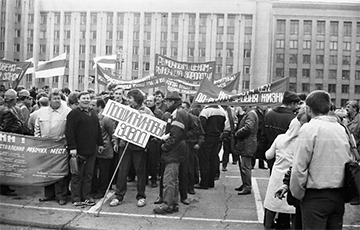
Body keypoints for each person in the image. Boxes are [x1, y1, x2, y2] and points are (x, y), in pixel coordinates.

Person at [290, 90, 353, 230]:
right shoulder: (340, 128)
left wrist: (298, 194)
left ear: (308, 108)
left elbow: (299, 166)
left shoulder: (309, 129)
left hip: (316, 195)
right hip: (338, 194)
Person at [263, 108, 308, 229]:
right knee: (293, 210)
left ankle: (267, 227)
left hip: (277, 175)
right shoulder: (303, 141)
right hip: (292, 177)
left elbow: (268, 155)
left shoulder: (280, 138)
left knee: (272, 205)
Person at [110, 89, 153, 208]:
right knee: (122, 171)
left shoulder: (147, 111)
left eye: (130, 98)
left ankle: (141, 196)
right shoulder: (125, 109)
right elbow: (116, 126)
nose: (128, 100)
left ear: (137, 100)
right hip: (124, 145)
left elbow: (154, 129)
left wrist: (145, 121)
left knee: (140, 172)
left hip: (139, 147)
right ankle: (118, 195)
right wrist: (115, 141)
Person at [153, 91, 190, 214]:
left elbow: (175, 135)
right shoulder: (181, 112)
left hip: (173, 152)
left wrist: (164, 146)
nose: (166, 103)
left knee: (169, 180)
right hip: (178, 150)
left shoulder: (177, 114)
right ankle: (173, 203)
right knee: (174, 180)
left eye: (167, 101)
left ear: (173, 102)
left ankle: (167, 205)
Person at [65, 91, 104, 206]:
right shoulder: (73, 114)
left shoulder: (93, 113)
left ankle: (86, 197)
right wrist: (72, 147)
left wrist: (100, 143)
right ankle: (76, 198)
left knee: (88, 175)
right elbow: (69, 132)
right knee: (77, 175)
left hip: (91, 149)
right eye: (83, 98)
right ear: (78, 100)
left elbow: (98, 129)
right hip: (78, 150)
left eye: (87, 98)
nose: (86, 100)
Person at [34, 89, 71, 205]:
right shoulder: (42, 112)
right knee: (47, 171)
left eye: (58, 98)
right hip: (45, 146)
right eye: (54, 98)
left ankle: (61, 196)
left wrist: (65, 140)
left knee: (60, 172)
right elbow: (37, 127)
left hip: (61, 146)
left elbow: (71, 128)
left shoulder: (67, 111)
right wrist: (38, 140)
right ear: (49, 100)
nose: (57, 100)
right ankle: (48, 194)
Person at [264, 91, 301, 174]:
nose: (298, 106)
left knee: (273, 176)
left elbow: (263, 135)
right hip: (286, 155)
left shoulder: (269, 114)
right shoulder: (293, 119)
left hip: (271, 151)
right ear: (292, 104)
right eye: (297, 104)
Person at [195, 105, 226, 189]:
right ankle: (211, 182)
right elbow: (223, 126)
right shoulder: (222, 111)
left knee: (204, 160)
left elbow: (201, 125)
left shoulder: (206, 111)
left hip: (207, 138)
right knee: (213, 159)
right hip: (216, 138)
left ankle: (204, 183)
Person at [91, 98, 115, 199]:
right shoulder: (91, 116)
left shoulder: (106, 119)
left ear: (99, 106)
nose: (90, 107)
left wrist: (114, 144)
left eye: (93, 105)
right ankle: (95, 188)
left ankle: (102, 190)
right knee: (93, 171)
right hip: (93, 149)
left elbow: (112, 133)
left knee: (103, 172)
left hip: (105, 149)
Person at [0, 89, 23, 196]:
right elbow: (4, 129)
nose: (16, 101)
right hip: (7, 142)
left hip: (5, 141)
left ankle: (5, 187)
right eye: (15, 99)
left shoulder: (3, 108)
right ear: (11, 100)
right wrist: (16, 128)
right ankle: (4, 188)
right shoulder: (7, 111)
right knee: (5, 164)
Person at [233, 106, 258, 195]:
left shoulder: (250, 114)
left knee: (245, 166)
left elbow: (248, 127)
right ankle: (245, 184)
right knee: (243, 165)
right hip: (246, 142)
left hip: (247, 142)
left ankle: (247, 186)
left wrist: (237, 133)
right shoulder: (249, 113)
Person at [342, 100, 360, 205]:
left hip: (357, 151)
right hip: (350, 151)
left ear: (355, 109)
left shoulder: (359, 120)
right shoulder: (346, 120)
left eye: (349, 106)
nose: (346, 108)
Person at [145, 95, 163, 188]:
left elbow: (162, 126)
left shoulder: (159, 113)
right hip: (144, 139)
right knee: (144, 160)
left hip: (154, 140)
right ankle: (145, 178)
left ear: (155, 102)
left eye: (150, 101)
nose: (148, 103)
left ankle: (154, 179)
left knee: (154, 161)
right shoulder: (143, 111)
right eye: (147, 101)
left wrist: (158, 138)